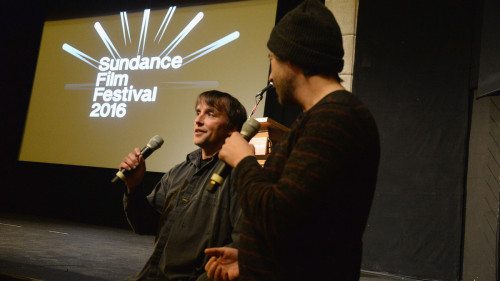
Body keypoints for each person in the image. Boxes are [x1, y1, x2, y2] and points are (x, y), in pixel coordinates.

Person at [204, 0, 380, 280]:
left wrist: (243, 161)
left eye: (271, 60)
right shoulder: (323, 117)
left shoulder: (334, 118)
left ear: (292, 58)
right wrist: (250, 258)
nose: (270, 76)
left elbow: (278, 216)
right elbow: (309, 227)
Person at [121, 90, 247, 281]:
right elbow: (144, 224)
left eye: (210, 113)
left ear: (232, 129)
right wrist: (134, 187)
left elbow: (241, 246)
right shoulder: (178, 172)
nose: (198, 120)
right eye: (198, 112)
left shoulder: (238, 175)